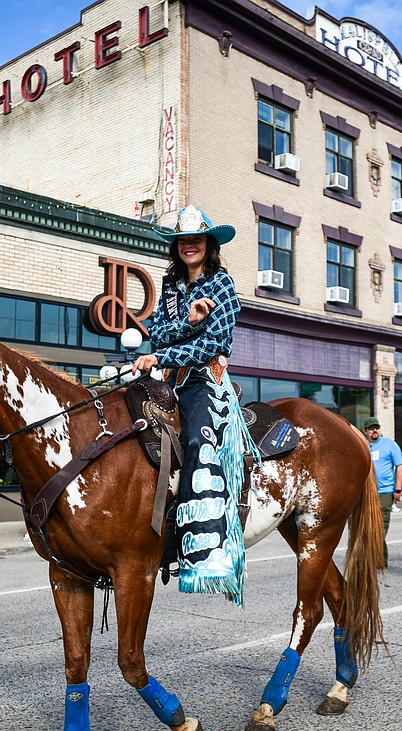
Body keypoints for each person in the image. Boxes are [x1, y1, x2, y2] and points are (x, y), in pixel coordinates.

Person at [133, 205, 255, 604]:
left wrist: (171, 348)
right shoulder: (170, 285)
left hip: (205, 379)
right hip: (170, 377)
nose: (189, 246)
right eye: (183, 240)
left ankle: (207, 554)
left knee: (200, 443)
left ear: (208, 244)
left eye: (196, 240)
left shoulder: (222, 285)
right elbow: (159, 332)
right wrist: (187, 320)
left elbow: (215, 343)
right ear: (177, 246)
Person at [363, 417, 402, 566]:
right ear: (366, 431)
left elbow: (400, 466)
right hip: (366, 494)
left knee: (380, 527)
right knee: (368, 528)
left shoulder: (390, 445)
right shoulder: (363, 445)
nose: (375, 430)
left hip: (384, 492)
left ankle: (375, 560)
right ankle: (381, 560)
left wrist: (398, 489)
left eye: (377, 427)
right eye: (371, 428)